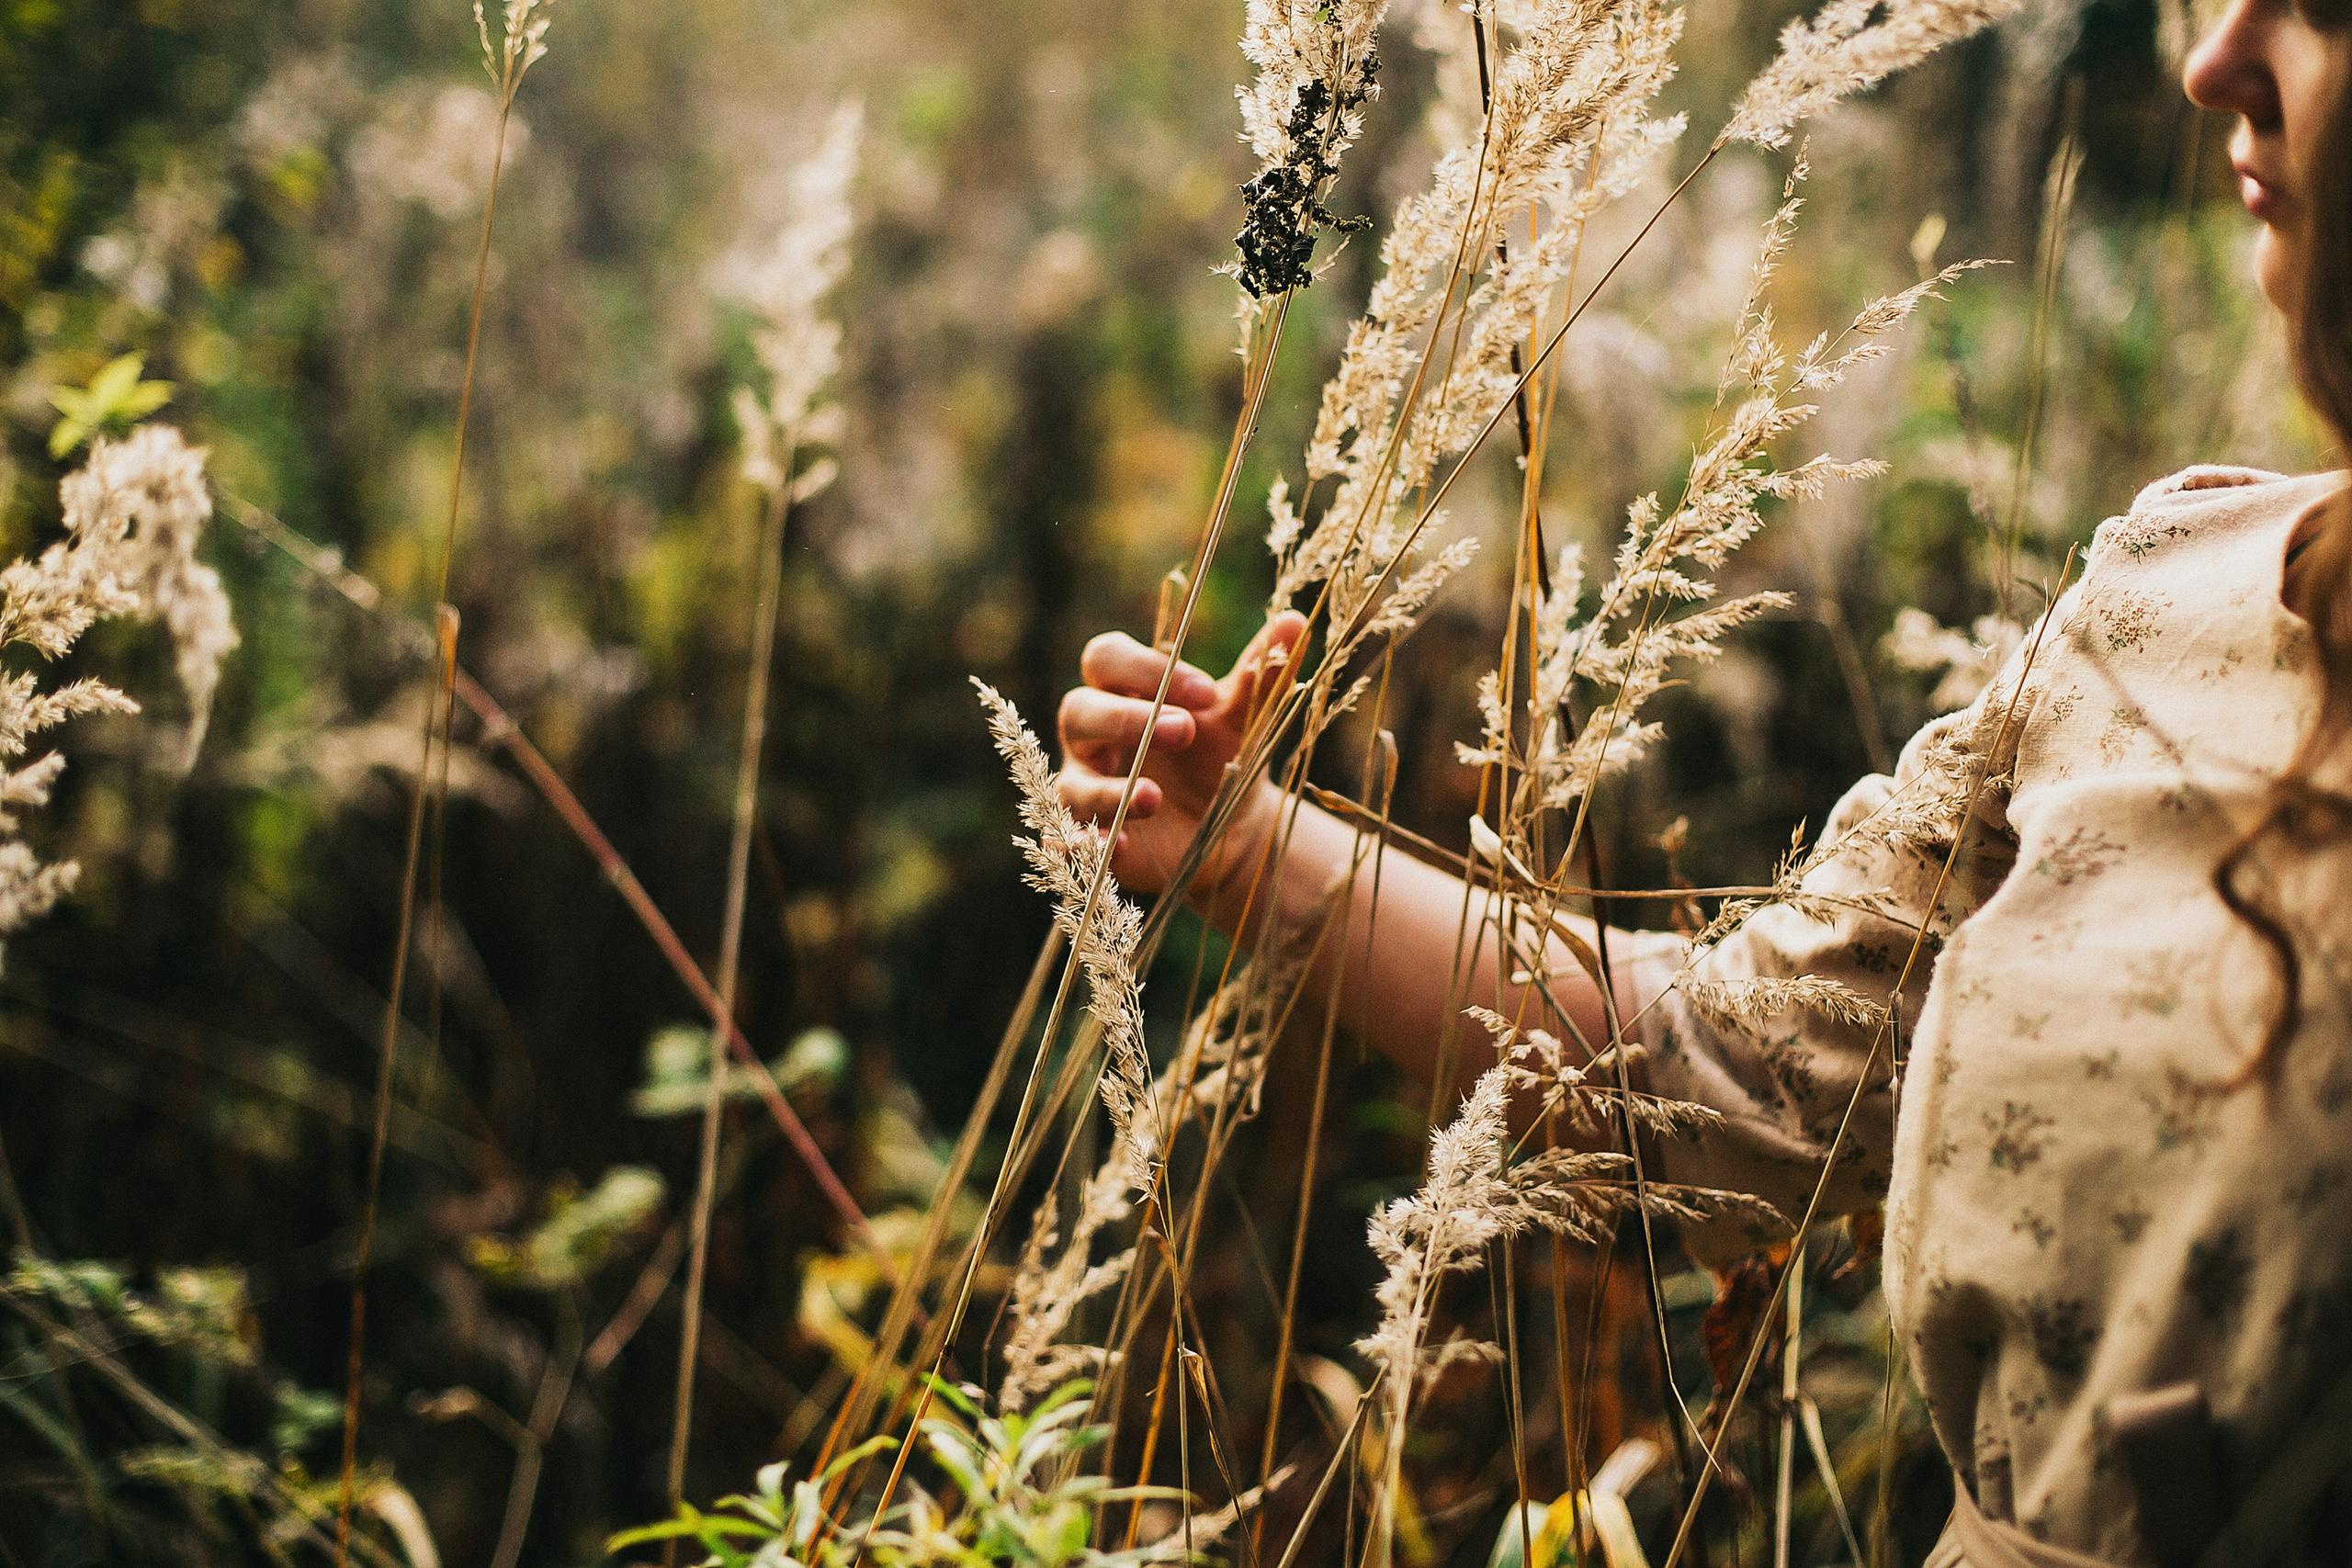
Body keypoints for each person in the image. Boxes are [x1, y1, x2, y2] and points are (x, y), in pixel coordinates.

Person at [1056, 1, 2352, 1562]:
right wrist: (1251, 842)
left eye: (2327, 11)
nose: (2215, 59)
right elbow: (1715, 1070)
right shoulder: (2170, 585)